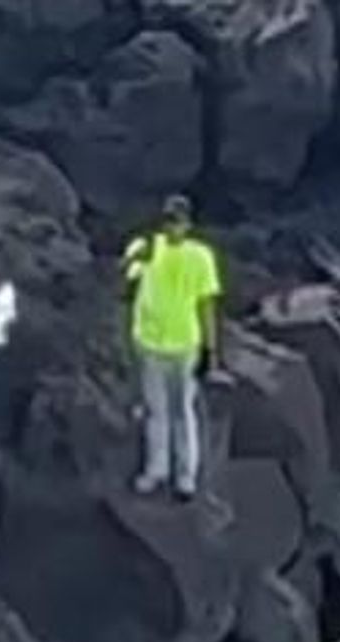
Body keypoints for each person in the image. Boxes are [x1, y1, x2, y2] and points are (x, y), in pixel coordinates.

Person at [121, 194, 223, 502]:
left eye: (177, 221)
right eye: (168, 221)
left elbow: (207, 305)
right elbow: (123, 276)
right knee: (156, 411)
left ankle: (185, 477)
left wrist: (210, 350)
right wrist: (136, 258)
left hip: (185, 345)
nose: (172, 227)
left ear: (188, 224)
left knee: (183, 412)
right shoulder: (147, 248)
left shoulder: (201, 256)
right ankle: (157, 470)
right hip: (149, 342)